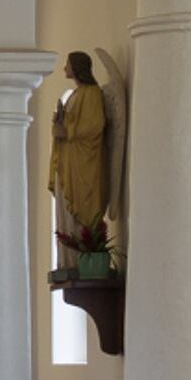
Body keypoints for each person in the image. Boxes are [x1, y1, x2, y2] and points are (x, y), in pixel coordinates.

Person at [49, 50, 110, 240]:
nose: (64, 68)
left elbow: (95, 125)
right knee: (64, 212)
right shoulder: (75, 94)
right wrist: (60, 121)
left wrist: (67, 132)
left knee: (81, 211)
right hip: (68, 160)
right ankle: (67, 257)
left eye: (67, 64)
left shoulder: (91, 93)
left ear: (76, 67)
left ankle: (81, 251)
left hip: (82, 162)